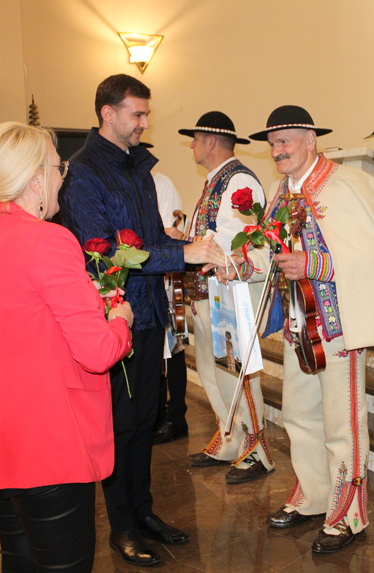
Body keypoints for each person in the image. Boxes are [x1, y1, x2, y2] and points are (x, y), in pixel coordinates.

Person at [0, 122, 134, 572]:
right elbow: (97, 352)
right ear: (34, 181)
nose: (64, 175)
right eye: (57, 166)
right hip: (44, 437)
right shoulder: (48, 241)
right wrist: (119, 322)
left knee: (20, 558)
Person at [59, 74, 226, 566]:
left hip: (147, 313)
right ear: (108, 114)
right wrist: (182, 254)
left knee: (144, 421)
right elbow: (104, 255)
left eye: (146, 114)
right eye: (137, 114)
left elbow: (151, 237)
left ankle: (144, 512)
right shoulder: (85, 172)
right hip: (114, 315)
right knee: (120, 427)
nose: (145, 123)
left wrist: (193, 251)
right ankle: (121, 527)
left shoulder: (137, 168)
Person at [249, 105, 374, 554]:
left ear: (310, 139)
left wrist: (313, 264)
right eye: (272, 143)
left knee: (343, 425)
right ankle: (314, 495)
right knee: (299, 415)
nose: (277, 150)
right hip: (300, 325)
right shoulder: (282, 192)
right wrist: (241, 262)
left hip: (339, 324)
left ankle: (348, 515)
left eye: (285, 141)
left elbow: (369, 257)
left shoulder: (348, 184)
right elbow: (268, 246)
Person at [177, 111, 275, 482]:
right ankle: (231, 436)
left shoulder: (238, 181)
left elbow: (239, 240)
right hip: (208, 292)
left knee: (237, 373)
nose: (191, 145)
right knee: (212, 371)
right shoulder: (215, 181)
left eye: (195, 138)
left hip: (230, 293)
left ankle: (257, 449)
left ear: (212, 141)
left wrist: (187, 245)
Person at [150, 165, 190, 445]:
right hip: (143, 278)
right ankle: (154, 415)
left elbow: (173, 230)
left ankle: (176, 416)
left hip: (166, 279)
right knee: (153, 353)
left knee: (173, 350)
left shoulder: (161, 183)